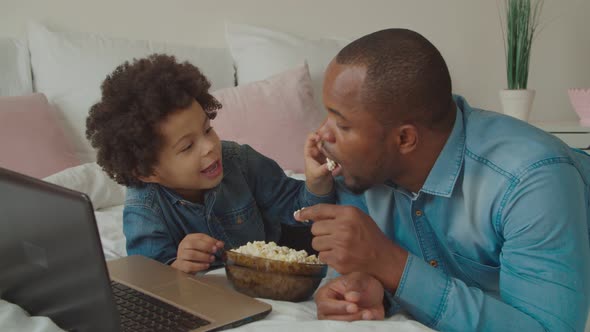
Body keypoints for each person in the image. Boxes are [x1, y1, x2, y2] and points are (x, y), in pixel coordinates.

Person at [294, 28, 590, 331]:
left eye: (342, 124)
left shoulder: (531, 181)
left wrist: (391, 265)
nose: (322, 135)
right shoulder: (363, 171)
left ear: (405, 138)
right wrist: (371, 289)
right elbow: (369, 272)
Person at [86, 54, 335, 274]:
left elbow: (300, 211)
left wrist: (317, 183)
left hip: (274, 269)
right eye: (187, 147)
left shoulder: (240, 161)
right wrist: (179, 265)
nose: (209, 147)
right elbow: (151, 278)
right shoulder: (144, 207)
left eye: (207, 130)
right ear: (147, 172)